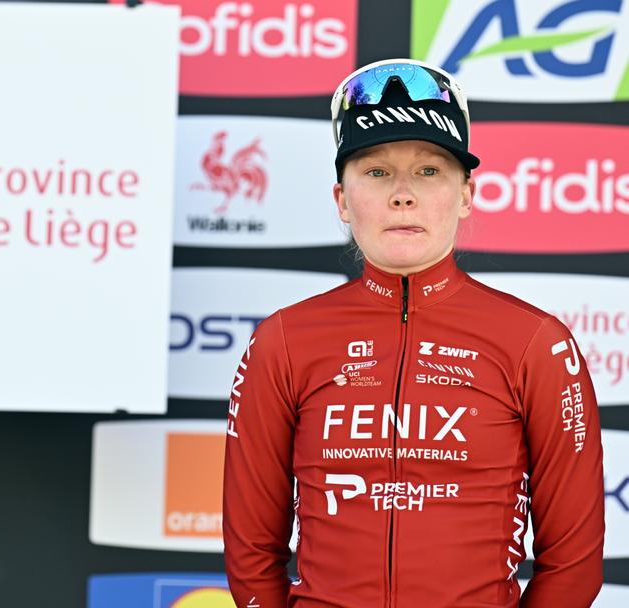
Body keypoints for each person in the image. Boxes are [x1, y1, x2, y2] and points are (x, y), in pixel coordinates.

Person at [222, 58, 604, 608]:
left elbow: (574, 564)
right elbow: (250, 552)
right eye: (376, 172)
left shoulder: (536, 342)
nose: (403, 194)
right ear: (342, 201)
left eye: (429, 171)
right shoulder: (283, 341)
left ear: (467, 195)